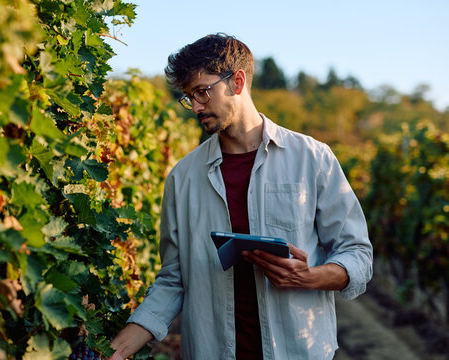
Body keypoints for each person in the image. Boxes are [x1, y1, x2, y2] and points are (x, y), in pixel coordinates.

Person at [109, 33, 373, 360]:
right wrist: (116, 351)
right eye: (188, 97)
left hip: (299, 351)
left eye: (202, 92)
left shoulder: (313, 159)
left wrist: (311, 277)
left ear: (237, 81)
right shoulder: (183, 178)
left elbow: (357, 253)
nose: (195, 106)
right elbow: (173, 281)